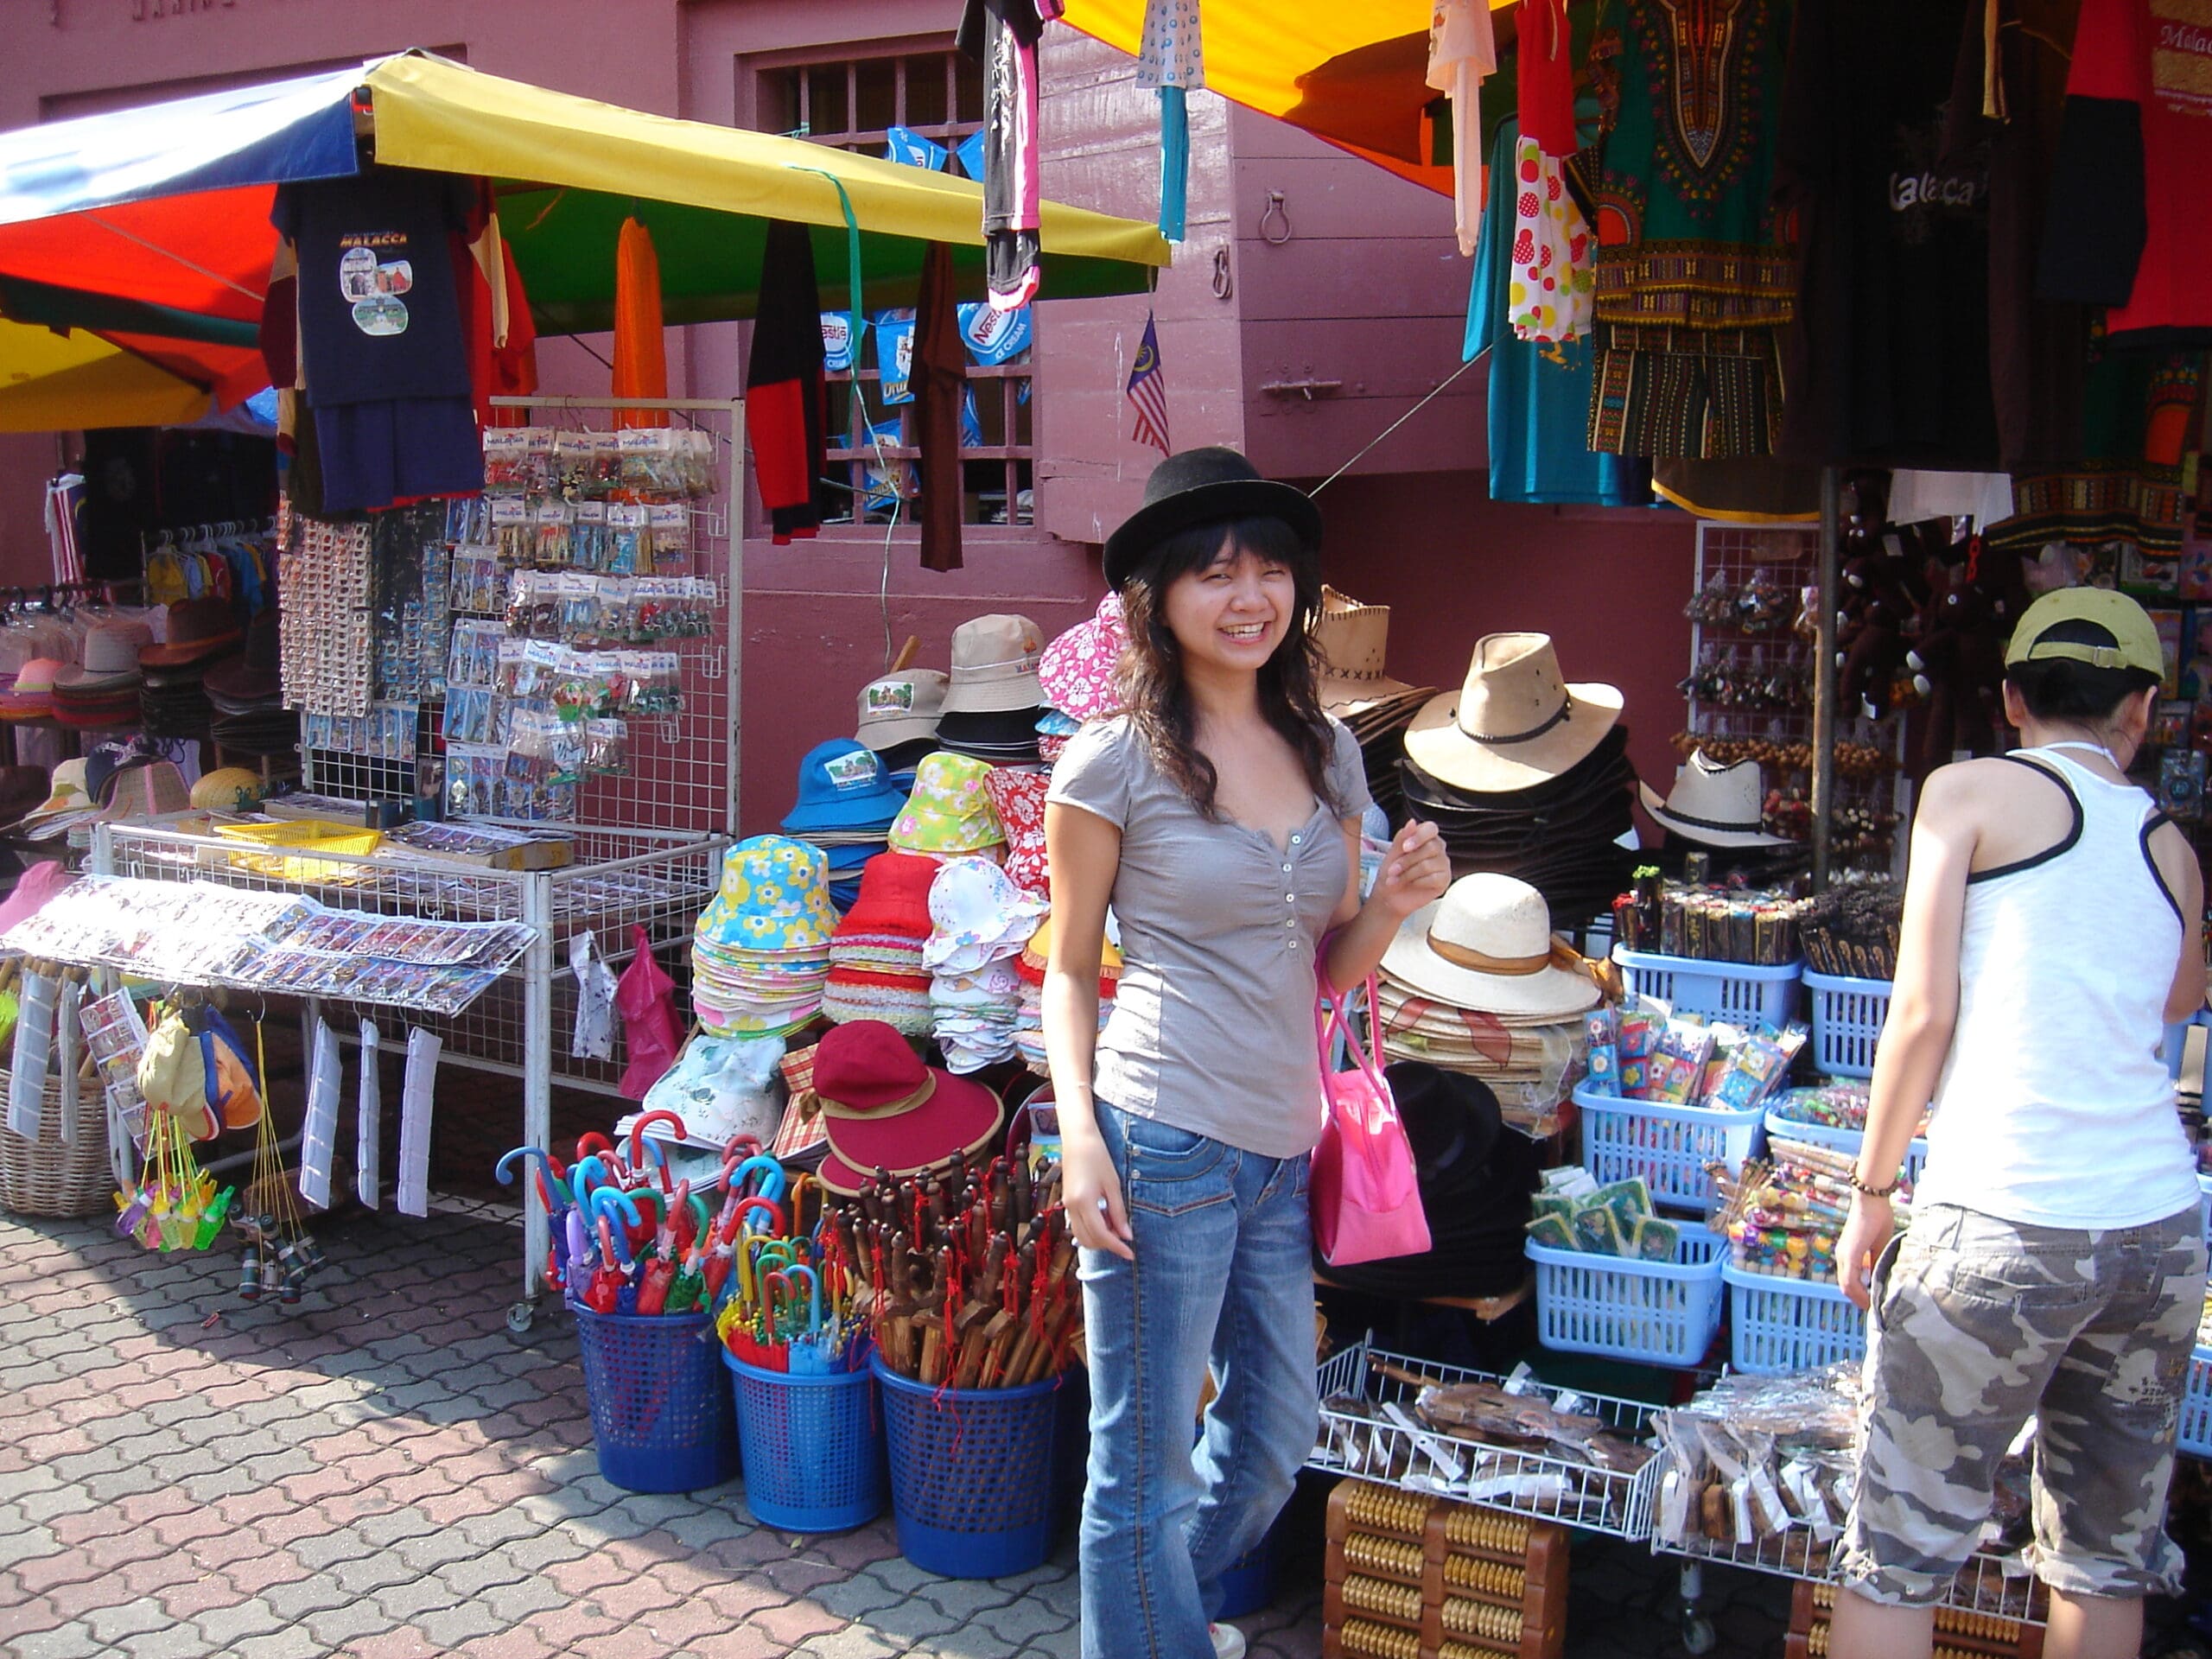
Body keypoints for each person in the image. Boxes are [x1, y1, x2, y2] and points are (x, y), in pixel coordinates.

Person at [1042, 448, 1450, 1659]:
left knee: (1272, 1442)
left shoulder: (1327, 750)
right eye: (1216, 572)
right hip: (1161, 1138)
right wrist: (1075, 1140)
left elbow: (1320, 968)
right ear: (1158, 598)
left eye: (1271, 569)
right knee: (1146, 1463)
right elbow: (1070, 969)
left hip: (1283, 1145)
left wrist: (1394, 904)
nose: (1249, 595)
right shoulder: (1109, 762)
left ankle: (1157, 1609)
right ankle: (1153, 1630)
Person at [1832, 587, 2209, 1659]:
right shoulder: (2170, 845)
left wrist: (1871, 1195)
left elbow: (1921, 1011)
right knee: (2104, 1555)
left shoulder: (1966, 793)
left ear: (2008, 698)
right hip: (2154, 1231)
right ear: (2140, 711)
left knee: (1897, 1553)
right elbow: (2178, 998)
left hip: (1998, 1221)